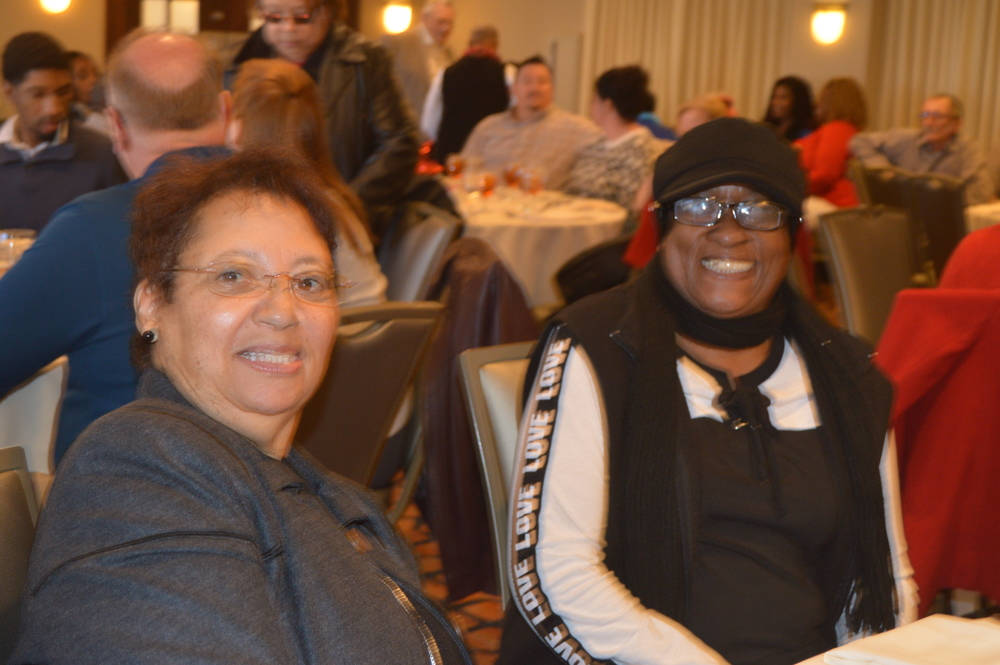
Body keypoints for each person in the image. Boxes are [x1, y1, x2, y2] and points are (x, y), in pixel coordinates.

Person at [10, 149, 472, 665]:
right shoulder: (134, 474)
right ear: (151, 303)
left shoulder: (337, 496)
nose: (283, 311)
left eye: (309, 282)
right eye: (234, 275)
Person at [498, 118, 917, 665]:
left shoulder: (848, 375)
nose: (729, 230)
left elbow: (884, 576)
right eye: (699, 205)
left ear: (792, 234)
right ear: (662, 225)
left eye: (758, 208)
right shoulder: (596, 349)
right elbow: (557, 573)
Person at [0, 29, 230, 467]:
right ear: (226, 109)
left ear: (115, 125)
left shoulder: (93, 227)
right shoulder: (295, 209)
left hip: (123, 507)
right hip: (273, 505)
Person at [229, 0, 420, 230]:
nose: (288, 28)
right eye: (274, 17)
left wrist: (343, 208)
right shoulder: (235, 65)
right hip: (259, 221)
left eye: (302, 17)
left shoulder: (365, 61)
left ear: (328, 11)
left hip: (341, 221)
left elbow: (400, 141)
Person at [229, 58, 387, 307]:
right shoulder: (327, 197)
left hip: (342, 337)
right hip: (366, 330)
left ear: (242, 127)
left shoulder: (281, 210)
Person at [0, 32, 125, 231]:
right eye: (38, 95)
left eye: (63, 92)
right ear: (9, 92)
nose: (55, 108)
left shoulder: (104, 154)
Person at [461, 56, 601, 190]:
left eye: (542, 82)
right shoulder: (488, 127)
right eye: (527, 82)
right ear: (513, 90)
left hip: (543, 211)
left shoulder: (576, 129)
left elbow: (613, 145)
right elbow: (465, 171)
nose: (535, 88)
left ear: (552, 90)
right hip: (486, 208)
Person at [849, 94, 994, 206]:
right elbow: (859, 140)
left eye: (937, 116)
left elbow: (981, 192)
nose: (928, 123)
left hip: (940, 218)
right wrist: (882, 169)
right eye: (924, 115)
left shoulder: (967, 149)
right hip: (900, 213)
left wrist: (936, 201)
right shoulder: (905, 138)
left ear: (956, 124)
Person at [564, 65, 666, 210]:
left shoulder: (642, 152)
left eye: (594, 101)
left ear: (607, 105)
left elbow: (632, 213)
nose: (591, 108)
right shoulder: (597, 144)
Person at [423, 25, 509, 163]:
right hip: (491, 153)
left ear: (469, 44)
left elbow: (429, 123)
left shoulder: (446, 73)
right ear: (496, 45)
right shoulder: (506, 73)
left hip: (450, 154)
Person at [794, 77, 867, 228]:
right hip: (830, 204)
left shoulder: (837, 129)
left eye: (822, 99)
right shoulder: (843, 130)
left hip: (835, 207)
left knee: (777, 211)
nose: (817, 105)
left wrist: (788, 185)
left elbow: (824, 176)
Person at [382, 0, 455, 125]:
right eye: (441, 22)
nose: (446, 28)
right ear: (425, 18)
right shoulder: (398, 42)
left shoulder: (449, 54)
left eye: (450, 23)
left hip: (435, 133)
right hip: (404, 129)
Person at [762, 75, 816, 143]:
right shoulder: (766, 127)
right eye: (774, 96)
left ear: (798, 101)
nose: (776, 102)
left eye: (783, 97)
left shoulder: (806, 133)